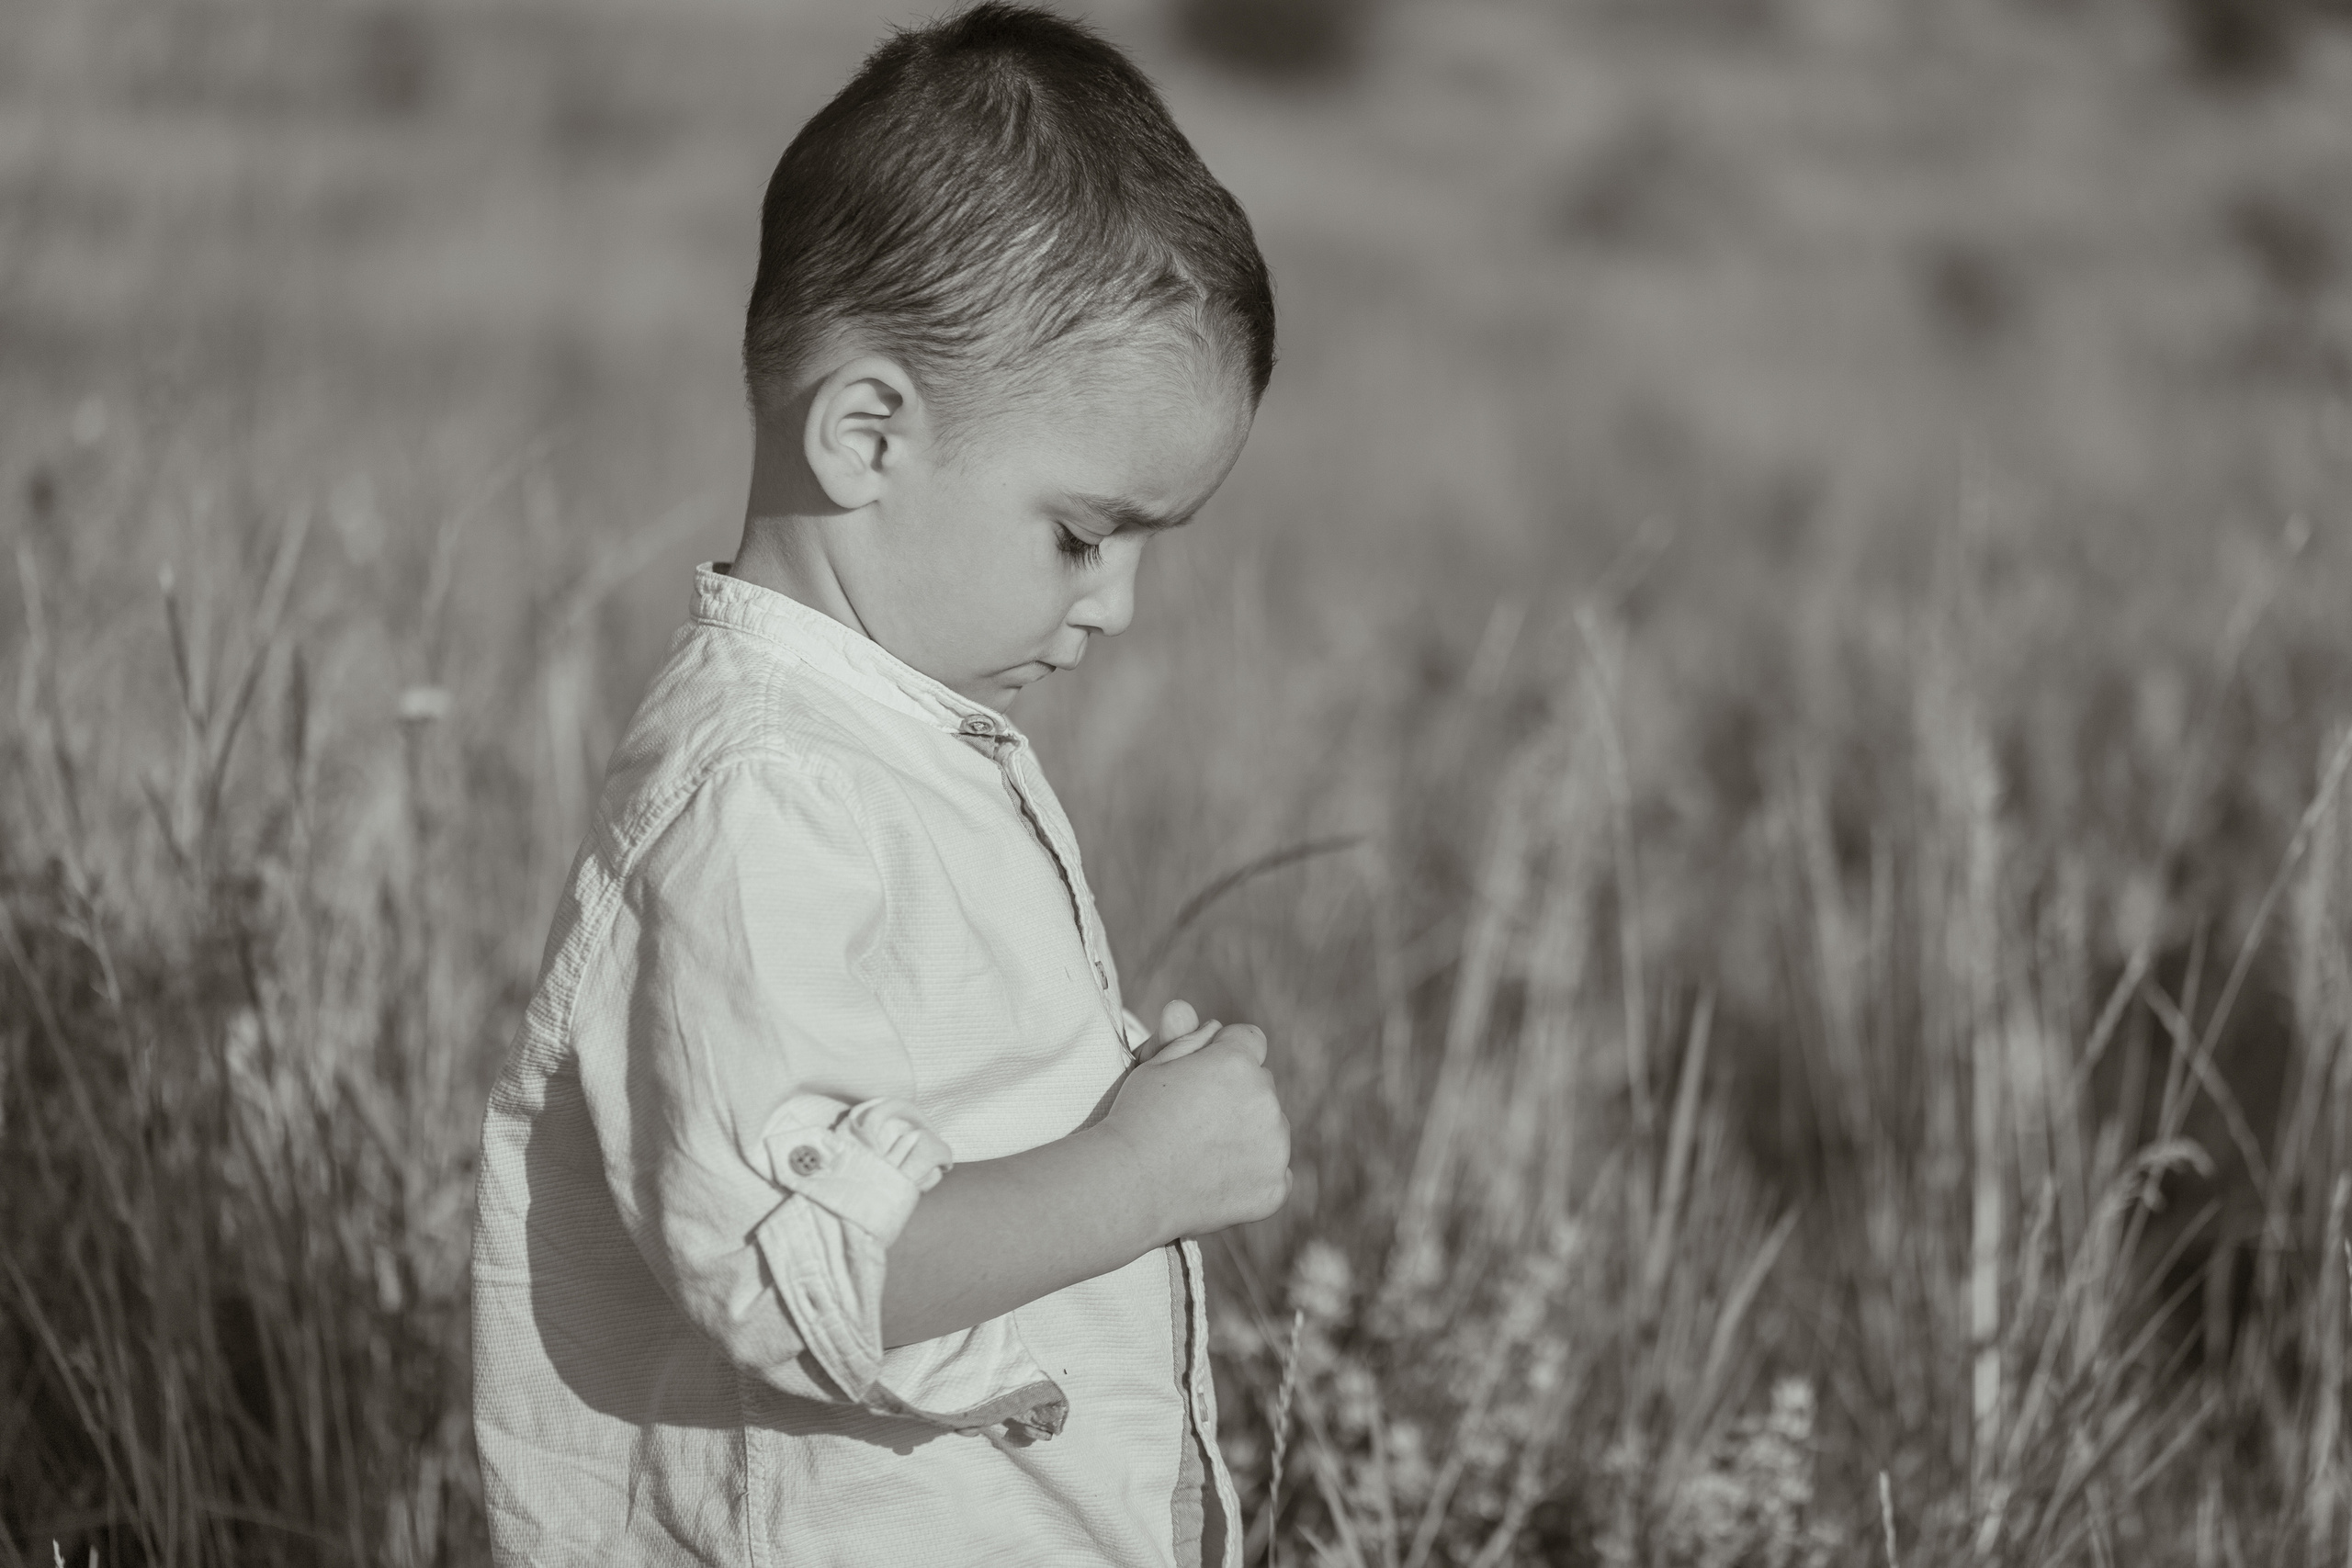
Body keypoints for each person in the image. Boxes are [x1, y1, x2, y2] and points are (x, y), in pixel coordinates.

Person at [469, 6, 1289, 1563]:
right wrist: (1132, 1175)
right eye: (1081, 532)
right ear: (866, 435)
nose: (1114, 603)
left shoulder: (876, 752)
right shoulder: (763, 798)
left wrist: (1089, 1110)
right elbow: (797, 1277)